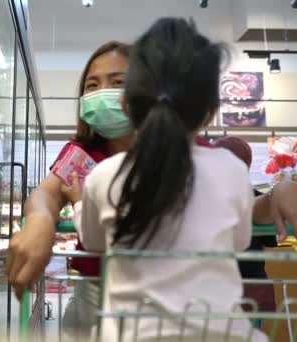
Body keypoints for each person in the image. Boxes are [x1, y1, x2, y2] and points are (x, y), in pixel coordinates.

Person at [6, 26, 297, 318]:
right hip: (96, 294)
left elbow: (241, 207)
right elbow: (47, 192)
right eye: (92, 86)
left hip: (180, 300)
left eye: (117, 83)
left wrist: (281, 193)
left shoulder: (194, 149)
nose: (102, 93)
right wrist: (39, 219)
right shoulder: (82, 152)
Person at [60, 18, 265, 341]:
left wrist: (76, 202)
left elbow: (96, 243)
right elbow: (238, 242)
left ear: (127, 104)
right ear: (211, 112)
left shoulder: (105, 177)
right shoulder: (232, 170)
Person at [213, 136, 277, 328]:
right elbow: (268, 244)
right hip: (252, 287)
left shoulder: (202, 198)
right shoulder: (260, 201)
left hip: (214, 287)